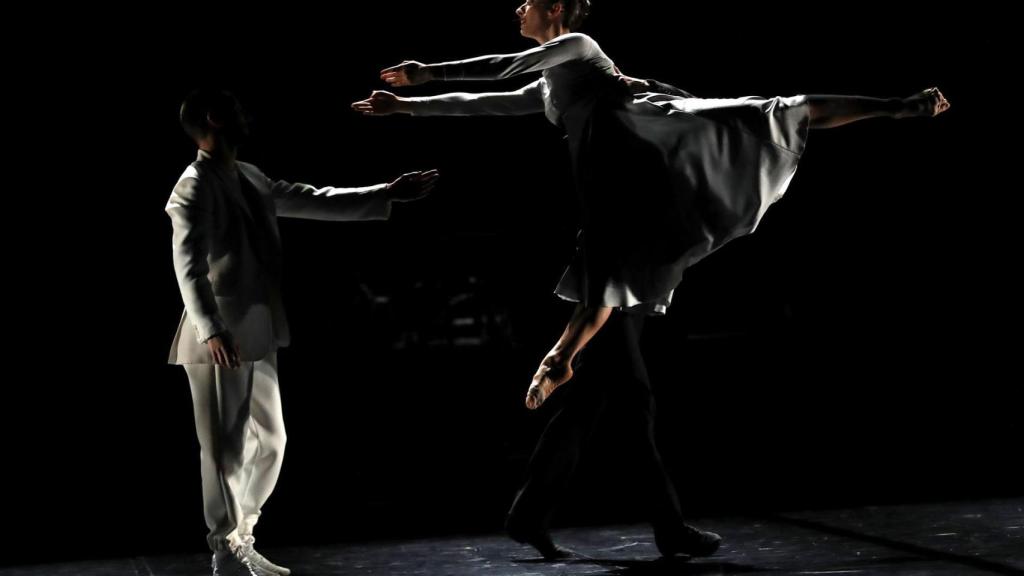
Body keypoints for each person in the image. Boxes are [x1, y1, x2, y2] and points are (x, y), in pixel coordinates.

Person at [351, 0, 949, 560]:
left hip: (635, 204)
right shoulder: (557, 82)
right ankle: (611, 515)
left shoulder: (580, 47)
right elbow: (489, 103)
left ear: (556, 10)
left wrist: (424, 72)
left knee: (771, 114)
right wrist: (406, 108)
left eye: (529, 1)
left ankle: (897, 106)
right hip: (615, 220)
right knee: (623, 390)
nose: (518, 9)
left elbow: (506, 67)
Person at [168, 88, 438, 576]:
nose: (245, 114)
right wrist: (210, 329)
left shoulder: (248, 175)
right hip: (217, 336)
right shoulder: (193, 185)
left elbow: (311, 199)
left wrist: (384, 193)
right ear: (214, 118)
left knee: (273, 440)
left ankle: (241, 534)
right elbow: (187, 266)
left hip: (256, 328)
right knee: (225, 448)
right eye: (237, 108)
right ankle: (224, 552)